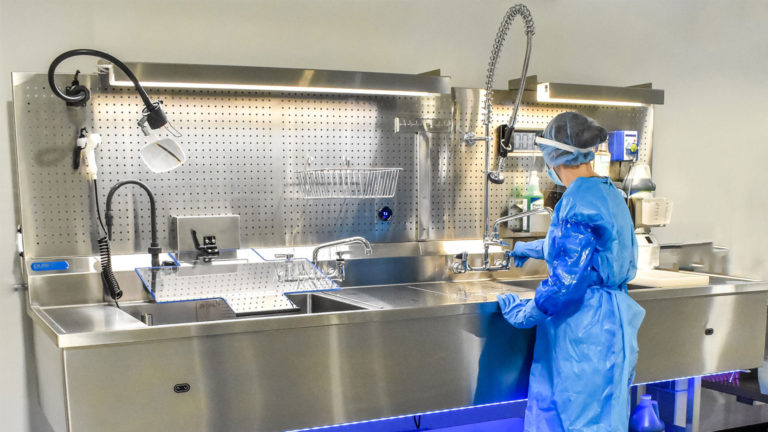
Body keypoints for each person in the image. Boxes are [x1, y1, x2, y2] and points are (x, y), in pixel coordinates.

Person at [497, 112, 646, 431]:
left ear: (555, 156)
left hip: (583, 330)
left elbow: (567, 282)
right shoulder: (609, 192)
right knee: (604, 417)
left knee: (573, 419)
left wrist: (530, 312)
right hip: (612, 323)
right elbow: (592, 250)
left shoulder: (577, 200)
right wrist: (532, 248)